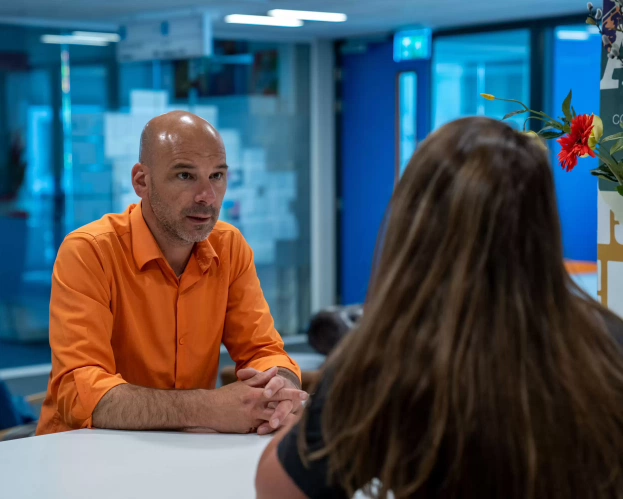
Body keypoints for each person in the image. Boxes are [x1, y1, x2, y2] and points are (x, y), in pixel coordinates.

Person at [256, 117, 623, 499]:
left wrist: (298, 419)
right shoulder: (610, 345)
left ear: (412, 224)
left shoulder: (387, 365)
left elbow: (277, 489)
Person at [37, 111, 307, 436]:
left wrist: (280, 390)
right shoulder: (89, 251)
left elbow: (262, 351)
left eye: (217, 176)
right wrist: (211, 408)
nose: (206, 196)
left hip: (186, 452)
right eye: (185, 176)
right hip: (81, 456)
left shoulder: (230, 247)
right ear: (141, 181)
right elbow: (80, 392)